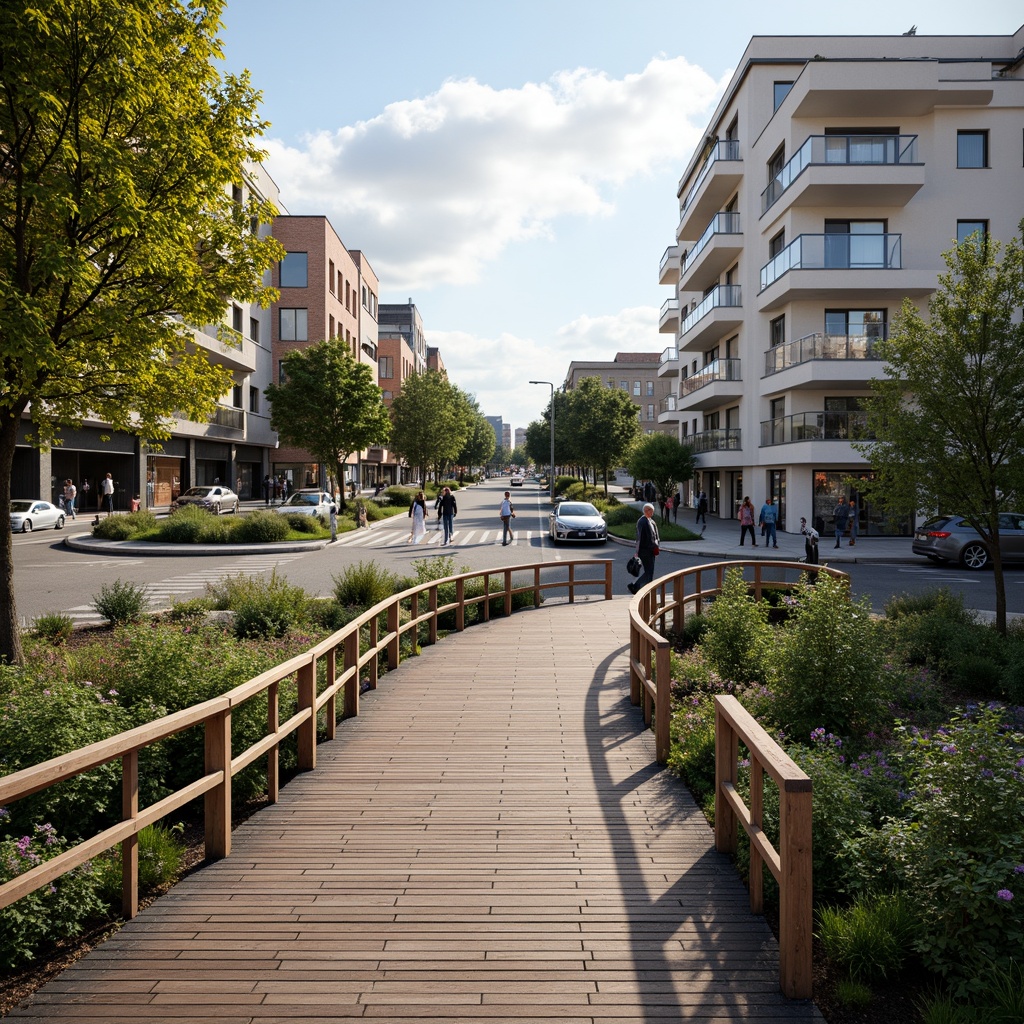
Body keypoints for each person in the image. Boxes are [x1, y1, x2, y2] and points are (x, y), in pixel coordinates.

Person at [627, 502, 660, 594]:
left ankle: (646, 589)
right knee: (649, 571)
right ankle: (636, 586)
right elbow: (639, 537)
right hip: (645, 551)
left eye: (653, 511)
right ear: (646, 511)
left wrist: (656, 546)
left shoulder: (651, 521)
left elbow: (655, 536)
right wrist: (637, 552)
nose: (652, 513)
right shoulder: (642, 521)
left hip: (651, 551)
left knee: (650, 571)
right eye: (651, 511)